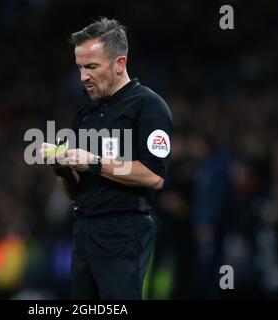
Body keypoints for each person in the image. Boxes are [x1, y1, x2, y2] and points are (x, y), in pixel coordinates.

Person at [40, 18, 173, 299]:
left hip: (125, 231)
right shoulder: (86, 115)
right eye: (79, 67)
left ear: (119, 63)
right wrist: (61, 168)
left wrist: (94, 162)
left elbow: (154, 176)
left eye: (91, 67)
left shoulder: (148, 106)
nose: (83, 77)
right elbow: (75, 193)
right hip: (84, 229)